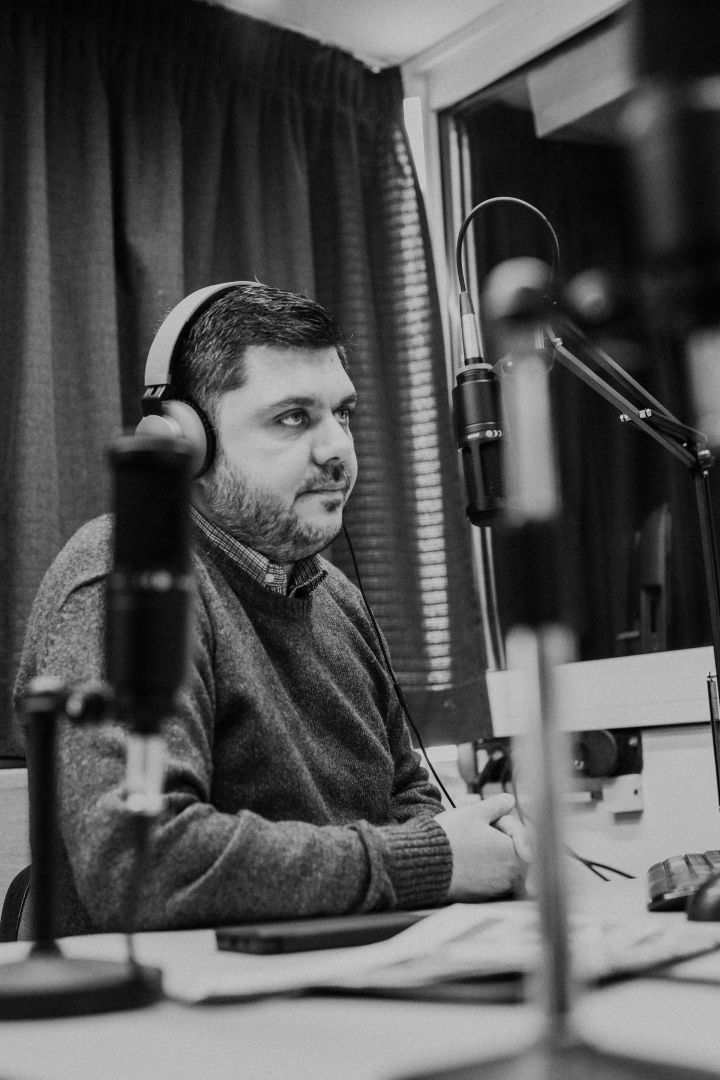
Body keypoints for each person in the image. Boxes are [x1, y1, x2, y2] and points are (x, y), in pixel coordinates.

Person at [14, 282, 530, 935]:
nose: (337, 448)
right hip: (171, 994)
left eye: (343, 413)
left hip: (342, 974)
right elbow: (144, 863)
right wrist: (431, 861)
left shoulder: (335, 597)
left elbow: (409, 801)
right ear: (184, 443)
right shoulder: (128, 581)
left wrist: (484, 844)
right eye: (293, 418)